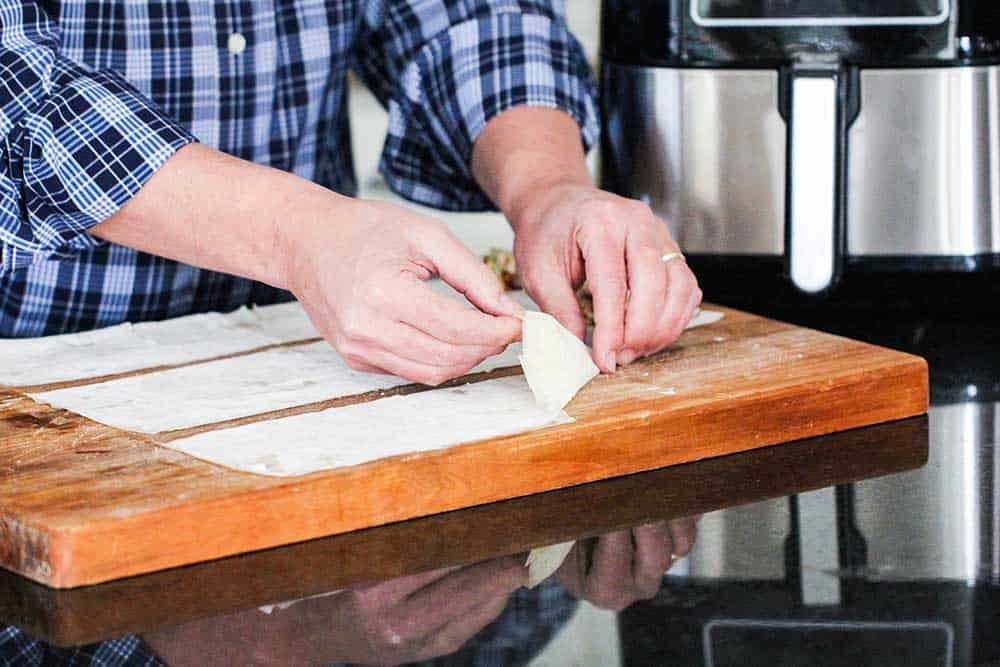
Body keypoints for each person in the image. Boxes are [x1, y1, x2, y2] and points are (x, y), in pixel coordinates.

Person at [0, 0, 702, 662]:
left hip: (309, 367)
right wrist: (296, 234)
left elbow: (465, 13)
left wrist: (547, 185)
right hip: (29, 410)